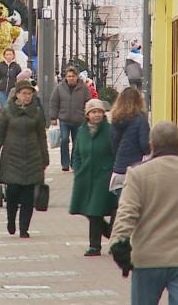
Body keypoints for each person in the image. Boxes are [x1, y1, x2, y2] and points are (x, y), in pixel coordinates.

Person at [109, 121, 178, 305]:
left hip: (148, 258)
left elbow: (127, 212)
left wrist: (119, 242)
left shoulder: (137, 174)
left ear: (152, 145)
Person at [0, 80, 48, 238]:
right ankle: (11, 220)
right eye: (24, 93)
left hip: (32, 158)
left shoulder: (36, 112)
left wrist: (45, 158)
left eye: (30, 94)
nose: (27, 97)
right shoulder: (8, 111)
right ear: (17, 95)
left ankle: (24, 228)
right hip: (11, 158)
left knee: (28, 197)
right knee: (13, 194)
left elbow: (42, 136)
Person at [69, 99, 117, 257]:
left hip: (104, 175)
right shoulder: (82, 131)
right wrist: (77, 169)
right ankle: (110, 233)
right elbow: (76, 153)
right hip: (85, 175)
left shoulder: (110, 131)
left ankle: (94, 246)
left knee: (96, 210)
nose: (96, 115)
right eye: (93, 112)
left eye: (99, 112)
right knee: (88, 210)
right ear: (87, 115)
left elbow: (116, 152)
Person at [49, 66, 92, 171]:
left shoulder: (84, 88)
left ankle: (74, 162)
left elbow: (89, 102)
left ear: (77, 77)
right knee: (64, 140)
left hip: (79, 120)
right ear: (66, 77)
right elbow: (54, 102)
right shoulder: (60, 88)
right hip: (64, 119)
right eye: (69, 76)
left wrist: (88, 116)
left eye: (73, 76)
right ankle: (65, 163)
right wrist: (53, 117)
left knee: (77, 142)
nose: (71, 78)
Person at [110, 87, 151, 196]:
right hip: (135, 169)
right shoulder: (141, 119)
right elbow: (144, 144)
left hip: (119, 170)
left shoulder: (115, 119)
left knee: (123, 206)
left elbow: (113, 144)